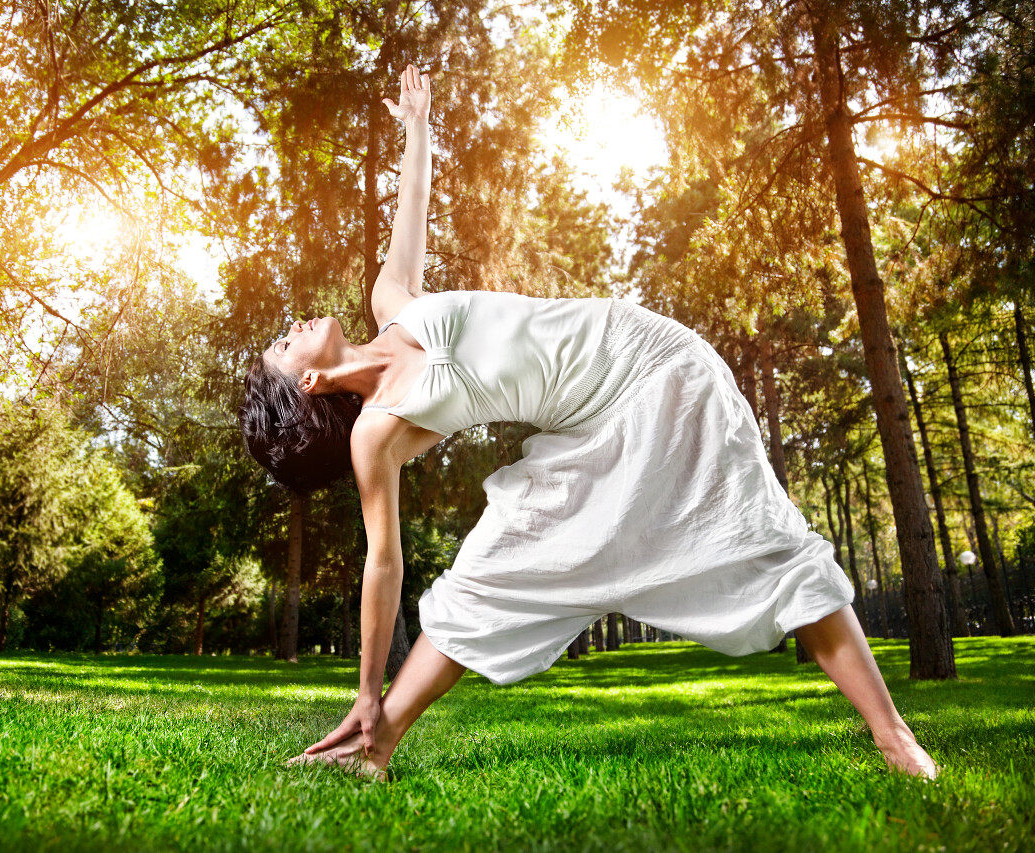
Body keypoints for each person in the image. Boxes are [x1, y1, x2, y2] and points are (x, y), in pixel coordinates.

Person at [238, 65, 938, 781]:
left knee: (771, 541)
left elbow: (411, 207)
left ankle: (894, 734)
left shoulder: (394, 299)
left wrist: (417, 127)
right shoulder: (376, 430)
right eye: (282, 347)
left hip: (654, 365)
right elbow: (382, 564)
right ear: (306, 388)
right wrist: (363, 689)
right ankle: (375, 740)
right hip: (589, 430)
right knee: (482, 577)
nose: (291, 327)